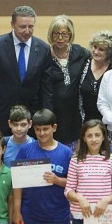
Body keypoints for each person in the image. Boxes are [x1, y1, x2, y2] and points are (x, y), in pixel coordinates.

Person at [11, 109, 74, 224]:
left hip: (57, 215)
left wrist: (57, 180)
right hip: (31, 214)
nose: (42, 133)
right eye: (38, 129)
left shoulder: (66, 152)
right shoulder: (25, 151)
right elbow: (17, 183)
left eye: (45, 129)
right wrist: (17, 211)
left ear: (54, 127)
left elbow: (74, 183)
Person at [0, 6, 54, 136]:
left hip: (32, 119)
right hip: (2, 117)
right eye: (22, 27)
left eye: (31, 27)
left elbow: (46, 88)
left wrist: (46, 118)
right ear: (12, 24)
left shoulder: (43, 49)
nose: (27, 31)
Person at [47, 15, 90, 144]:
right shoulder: (44, 55)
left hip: (74, 114)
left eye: (64, 34)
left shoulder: (80, 53)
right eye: (56, 34)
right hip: (53, 112)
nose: (60, 38)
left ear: (70, 35)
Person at [79, 30, 112, 121]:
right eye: (95, 47)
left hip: (107, 120)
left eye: (101, 49)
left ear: (109, 52)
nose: (95, 52)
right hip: (83, 120)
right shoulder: (84, 63)